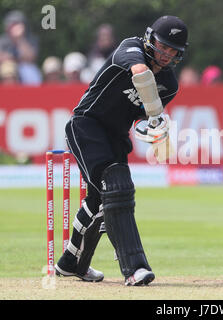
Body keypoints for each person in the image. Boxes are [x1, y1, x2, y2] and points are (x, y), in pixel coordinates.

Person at [54, 16, 188, 286]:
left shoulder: (170, 85)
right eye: (163, 46)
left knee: (100, 202)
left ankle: (71, 263)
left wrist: (153, 129)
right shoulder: (131, 48)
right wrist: (155, 114)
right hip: (86, 126)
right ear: (150, 39)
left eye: (173, 50)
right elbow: (140, 72)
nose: (166, 54)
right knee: (117, 187)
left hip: (115, 137)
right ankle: (135, 268)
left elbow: (141, 121)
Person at [0, 10, 41, 84]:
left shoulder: (30, 39)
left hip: (23, 71)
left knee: (29, 70)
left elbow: (30, 58)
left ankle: (32, 94)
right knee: (7, 68)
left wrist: (19, 39)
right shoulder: (3, 40)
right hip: (7, 69)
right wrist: (17, 59)